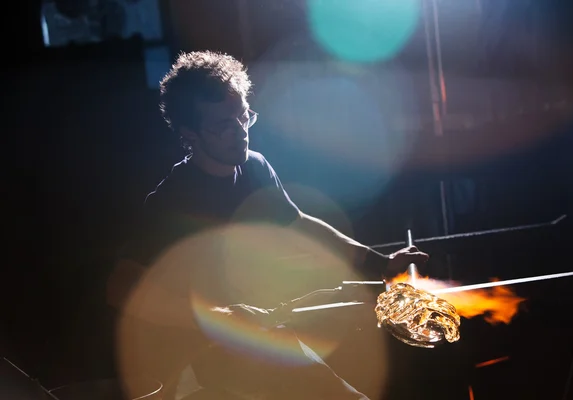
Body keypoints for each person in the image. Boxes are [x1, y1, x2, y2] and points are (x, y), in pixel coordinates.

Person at [106, 50, 429, 400]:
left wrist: (378, 261)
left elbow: (297, 224)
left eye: (243, 116)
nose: (240, 132)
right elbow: (121, 289)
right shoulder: (173, 201)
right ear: (191, 133)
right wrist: (216, 317)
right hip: (197, 360)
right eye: (223, 125)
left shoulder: (256, 170)